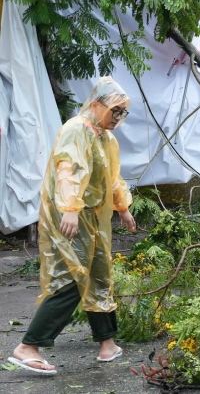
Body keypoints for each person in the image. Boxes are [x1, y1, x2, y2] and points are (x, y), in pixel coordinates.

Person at [9, 78, 137, 374]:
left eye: (122, 112)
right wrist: (70, 208)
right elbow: (68, 168)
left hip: (94, 218)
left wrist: (123, 208)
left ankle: (107, 344)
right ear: (96, 104)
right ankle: (28, 346)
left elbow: (113, 176)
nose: (117, 117)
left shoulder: (106, 138)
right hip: (72, 216)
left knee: (99, 273)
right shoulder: (77, 129)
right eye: (114, 110)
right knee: (72, 278)